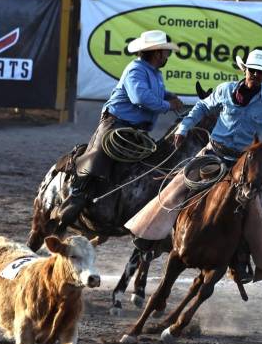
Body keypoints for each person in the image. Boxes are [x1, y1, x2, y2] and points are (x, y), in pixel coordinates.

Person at [127, 48, 262, 281]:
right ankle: (151, 237)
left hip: (241, 163)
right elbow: (202, 107)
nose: (255, 75)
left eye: (260, 73)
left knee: (248, 207)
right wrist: (184, 126)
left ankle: (241, 262)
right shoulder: (225, 90)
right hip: (213, 152)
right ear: (245, 70)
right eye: (252, 71)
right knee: (178, 187)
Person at [56, 29, 184, 226]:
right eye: (166, 51)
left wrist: (168, 95)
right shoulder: (136, 69)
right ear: (157, 52)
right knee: (96, 160)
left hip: (136, 131)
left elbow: (154, 92)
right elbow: (140, 97)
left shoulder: (153, 73)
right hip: (115, 125)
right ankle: (75, 196)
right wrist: (169, 105)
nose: (168, 55)